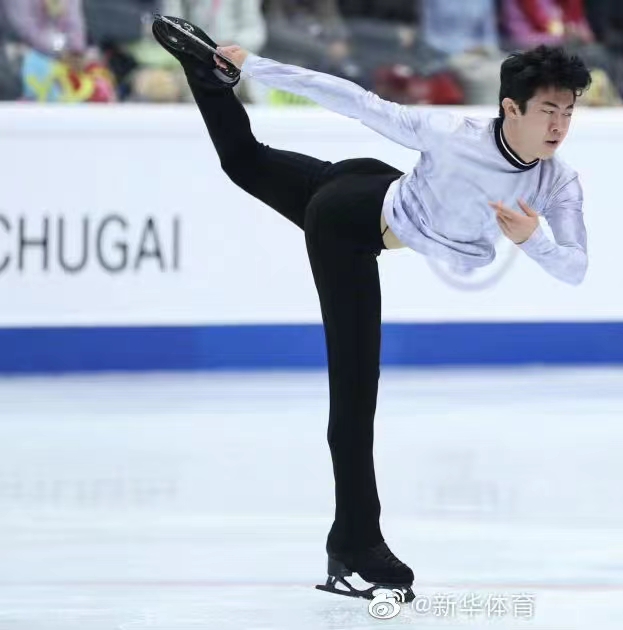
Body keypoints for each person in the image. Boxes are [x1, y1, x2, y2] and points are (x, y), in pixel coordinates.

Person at [150, 14, 591, 600]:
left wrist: (533, 240)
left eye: (568, 112)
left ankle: (203, 73)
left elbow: (575, 267)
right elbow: (356, 101)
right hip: (348, 224)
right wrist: (254, 66)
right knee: (355, 392)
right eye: (548, 111)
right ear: (511, 108)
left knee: (245, 161)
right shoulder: (453, 135)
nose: (559, 126)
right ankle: (356, 542)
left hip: (371, 185)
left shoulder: (557, 183)